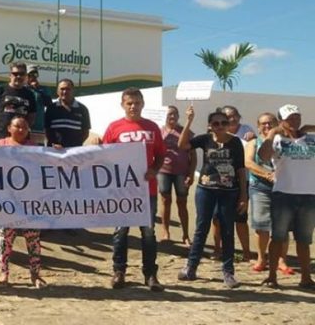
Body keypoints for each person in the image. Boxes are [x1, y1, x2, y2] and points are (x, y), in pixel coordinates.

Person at [177, 106, 248, 288]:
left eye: (224, 123)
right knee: (201, 228)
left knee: (227, 230)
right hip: (206, 190)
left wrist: (243, 194)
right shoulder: (205, 139)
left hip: (229, 192)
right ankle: (191, 267)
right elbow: (182, 145)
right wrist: (189, 121)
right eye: (216, 123)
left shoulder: (235, 142)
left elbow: (241, 169)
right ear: (210, 126)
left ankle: (228, 272)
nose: (220, 126)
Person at [103, 88, 165, 291]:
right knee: (121, 231)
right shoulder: (114, 127)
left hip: (147, 190)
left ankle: (150, 274)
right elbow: (104, 155)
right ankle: (119, 272)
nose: (133, 106)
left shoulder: (152, 127)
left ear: (143, 104)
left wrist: (154, 169)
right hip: (122, 190)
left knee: (148, 232)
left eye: (137, 103)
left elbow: (161, 155)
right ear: (123, 105)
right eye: (129, 103)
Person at [259, 105, 315, 289]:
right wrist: (272, 133)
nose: (295, 121)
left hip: (308, 195)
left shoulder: (311, 139)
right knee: (278, 237)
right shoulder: (277, 140)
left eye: (297, 117)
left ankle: (306, 277)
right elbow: (263, 156)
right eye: (290, 118)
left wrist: (309, 127)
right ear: (281, 121)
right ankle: (272, 276)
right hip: (283, 195)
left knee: (304, 239)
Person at [0, 116, 46, 288]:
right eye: (17, 126)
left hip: (29, 201)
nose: (21, 130)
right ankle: (3, 272)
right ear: (9, 128)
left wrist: (58, 153)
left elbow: (48, 164)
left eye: (24, 127)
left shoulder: (34, 149)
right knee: (6, 238)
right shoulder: (0, 145)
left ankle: (35, 274)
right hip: (8, 201)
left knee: (33, 239)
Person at [245, 112, 292, 274]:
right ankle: (261, 258)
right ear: (258, 127)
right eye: (263, 123)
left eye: (270, 122)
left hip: (283, 188)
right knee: (261, 225)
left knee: (283, 226)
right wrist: (267, 175)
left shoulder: (285, 141)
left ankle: (281, 260)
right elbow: (248, 162)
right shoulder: (253, 142)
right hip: (260, 187)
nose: (267, 126)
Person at [216, 105, 254, 262]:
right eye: (228, 116)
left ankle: (246, 252)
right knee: (217, 217)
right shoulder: (218, 132)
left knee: (240, 217)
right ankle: (218, 250)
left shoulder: (247, 130)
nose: (232, 119)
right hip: (221, 180)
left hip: (242, 179)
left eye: (234, 115)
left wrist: (253, 137)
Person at [158, 105, 196, 244]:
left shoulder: (186, 132)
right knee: (165, 200)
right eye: (169, 114)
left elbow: (193, 155)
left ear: (179, 116)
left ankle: (185, 235)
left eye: (175, 114)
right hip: (163, 171)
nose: (172, 116)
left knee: (182, 202)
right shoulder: (159, 131)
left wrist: (191, 173)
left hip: (181, 172)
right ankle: (165, 232)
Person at [0, 62, 37, 142]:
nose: (18, 76)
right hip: (1, 136)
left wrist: (23, 129)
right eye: (15, 74)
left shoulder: (30, 94)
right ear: (10, 75)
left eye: (21, 74)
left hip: (21, 138)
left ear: (25, 76)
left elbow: (31, 117)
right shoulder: (0, 90)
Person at [44, 78, 91, 149]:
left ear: (73, 91)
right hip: (54, 151)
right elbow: (46, 130)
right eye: (62, 89)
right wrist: (54, 144)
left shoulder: (83, 109)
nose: (65, 91)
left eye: (68, 89)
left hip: (74, 152)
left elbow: (85, 133)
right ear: (57, 91)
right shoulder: (51, 108)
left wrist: (74, 145)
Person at [26, 68, 53, 145]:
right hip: (23, 127)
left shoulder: (44, 89)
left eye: (35, 74)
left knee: (38, 149)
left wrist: (37, 90)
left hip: (38, 128)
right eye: (30, 75)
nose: (33, 77)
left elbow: (49, 104)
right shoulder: (22, 89)